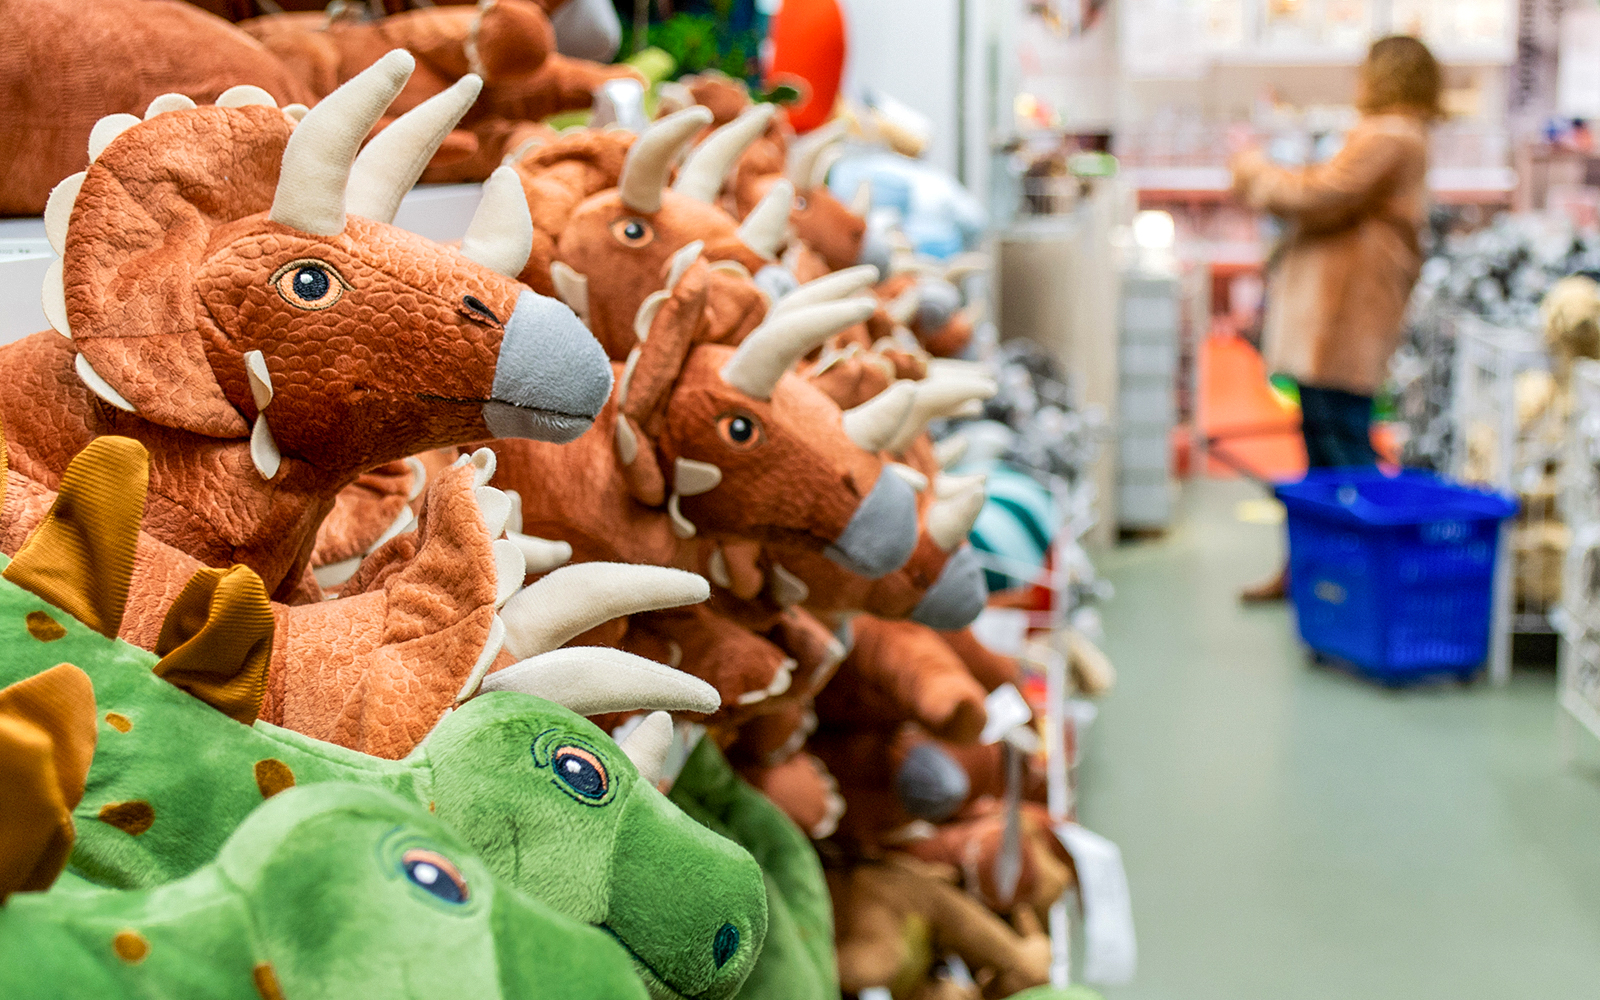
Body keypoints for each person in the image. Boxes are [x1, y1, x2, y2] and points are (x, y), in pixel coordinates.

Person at [1231, 34, 1440, 602]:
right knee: (1325, 449)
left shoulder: (1390, 137)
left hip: (1342, 321)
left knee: (1343, 450)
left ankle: (1367, 577)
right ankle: (1315, 569)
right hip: (1336, 322)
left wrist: (1254, 170)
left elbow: (1320, 194)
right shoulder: (1397, 137)